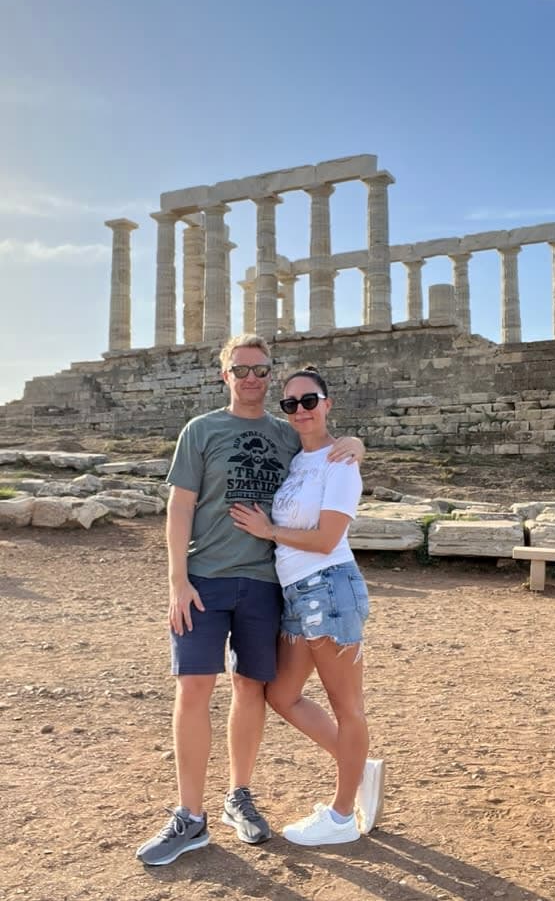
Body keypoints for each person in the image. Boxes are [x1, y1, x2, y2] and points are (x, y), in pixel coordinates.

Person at [136, 334, 378, 866]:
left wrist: (356, 444)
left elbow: (328, 450)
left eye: (261, 370)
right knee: (194, 687)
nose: (252, 379)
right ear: (224, 375)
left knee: (252, 689)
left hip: (267, 584)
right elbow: (179, 506)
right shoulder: (201, 430)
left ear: (270, 375)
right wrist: (177, 579)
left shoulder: (286, 433)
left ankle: (238, 797)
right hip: (205, 577)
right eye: (240, 369)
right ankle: (190, 816)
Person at [229, 365, 383, 847]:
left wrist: (269, 531)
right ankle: (360, 768)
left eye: (309, 401)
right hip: (297, 593)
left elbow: (327, 537)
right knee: (282, 695)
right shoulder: (299, 460)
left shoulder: (340, 463)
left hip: (329, 587)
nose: (300, 410)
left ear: (327, 403)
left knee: (347, 705)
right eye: (290, 404)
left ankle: (341, 816)